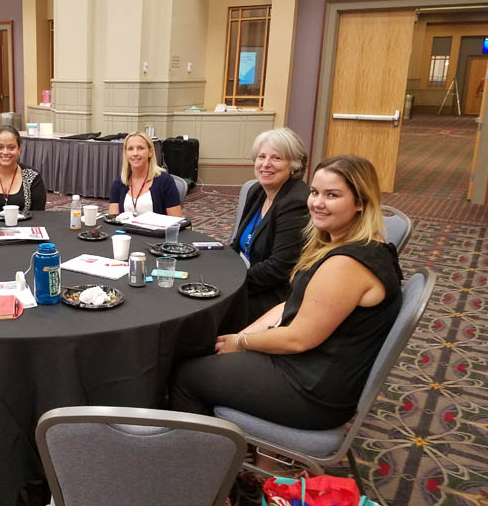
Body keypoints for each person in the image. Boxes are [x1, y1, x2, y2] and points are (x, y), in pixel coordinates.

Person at [171, 155, 402, 437]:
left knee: (185, 376)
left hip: (311, 390)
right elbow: (291, 304)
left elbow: (297, 339)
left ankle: (202, 458)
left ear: (361, 202)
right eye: (315, 192)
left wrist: (242, 343)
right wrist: (240, 337)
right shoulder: (366, 243)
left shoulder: (346, 265)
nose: (317, 203)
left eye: (332, 195)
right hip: (313, 366)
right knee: (211, 347)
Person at [226, 128, 310, 331]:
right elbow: (238, 243)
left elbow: (279, 268)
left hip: (273, 295)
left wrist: (231, 284)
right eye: (261, 157)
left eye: (276, 158)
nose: (265, 164)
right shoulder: (258, 191)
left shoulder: (295, 203)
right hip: (249, 279)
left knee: (209, 313)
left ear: (294, 165)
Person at [108, 131, 182, 217]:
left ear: (150, 152)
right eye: (130, 149)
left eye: (140, 148)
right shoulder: (118, 183)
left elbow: (176, 220)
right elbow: (113, 220)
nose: (135, 153)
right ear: (126, 153)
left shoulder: (165, 181)